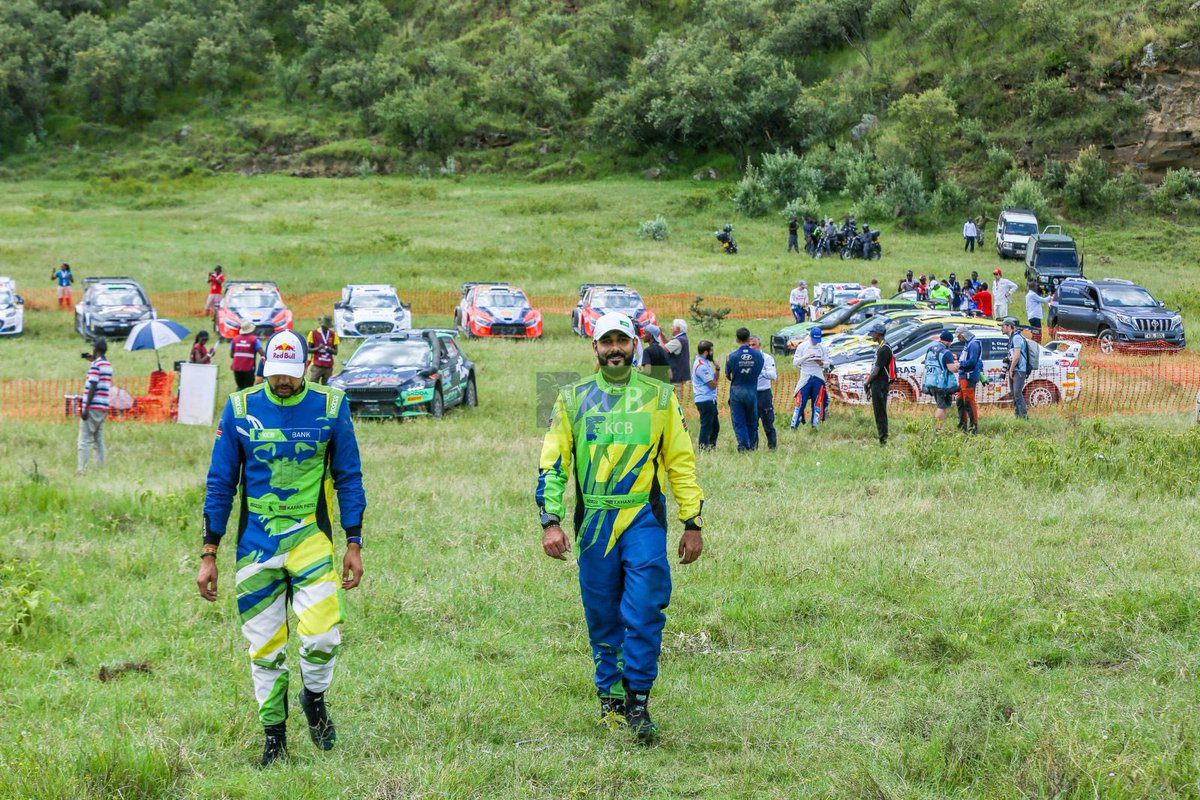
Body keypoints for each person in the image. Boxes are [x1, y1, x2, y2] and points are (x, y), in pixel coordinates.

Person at [198, 329, 366, 767]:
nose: (283, 383)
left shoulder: (332, 406)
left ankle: (314, 697)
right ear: (265, 368)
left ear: (307, 367)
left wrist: (354, 540)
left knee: (323, 635)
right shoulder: (239, 408)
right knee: (265, 650)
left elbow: (349, 476)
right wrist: (209, 551)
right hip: (256, 549)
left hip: (311, 541)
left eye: (290, 375)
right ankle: (274, 739)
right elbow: (221, 483)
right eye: (275, 375)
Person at [536, 312, 704, 742]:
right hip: (593, 521)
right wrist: (550, 519)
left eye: (622, 341)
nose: (614, 348)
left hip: (643, 519)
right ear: (594, 347)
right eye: (606, 341)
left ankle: (638, 701)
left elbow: (680, 463)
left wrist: (692, 520)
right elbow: (554, 462)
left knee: (645, 609)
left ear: (635, 346)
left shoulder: (662, 397)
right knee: (602, 613)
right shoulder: (568, 397)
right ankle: (609, 699)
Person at [725, 328, 764, 452]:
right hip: (752, 390)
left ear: (737, 339)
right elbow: (758, 371)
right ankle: (752, 446)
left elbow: (728, 375)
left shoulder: (731, 357)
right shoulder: (758, 355)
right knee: (752, 421)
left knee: (739, 421)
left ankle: (743, 446)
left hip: (737, 391)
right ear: (749, 339)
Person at [78, 337, 112, 475]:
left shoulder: (95, 366)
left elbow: (93, 385)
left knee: (84, 439)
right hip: (103, 406)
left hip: (92, 406)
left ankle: (81, 469)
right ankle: (101, 467)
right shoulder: (107, 365)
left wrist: (86, 407)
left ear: (95, 349)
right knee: (99, 440)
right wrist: (93, 360)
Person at [791, 327, 827, 430]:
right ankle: (794, 425)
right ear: (810, 337)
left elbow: (828, 363)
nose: (816, 342)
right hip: (805, 377)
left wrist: (822, 363)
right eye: (814, 339)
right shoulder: (802, 347)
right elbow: (795, 362)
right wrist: (805, 357)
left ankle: (814, 425)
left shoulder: (822, 348)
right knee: (800, 402)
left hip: (818, 377)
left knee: (817, 403)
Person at [864, 322, 893, 445]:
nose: (871, 335)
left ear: (878, 333)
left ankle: (883, 439)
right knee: (878, 412)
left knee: (880, 412)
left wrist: (867, 383)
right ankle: (882, 437)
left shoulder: (884, 349)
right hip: (877, 383)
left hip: (880, 383)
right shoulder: (881, 347)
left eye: (873, 333)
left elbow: (876, 370)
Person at [748, 336, 778, 451]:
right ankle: (753, 448)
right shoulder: (746, 359)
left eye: (753, 345)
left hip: (764, 393)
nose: (751, 347)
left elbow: (773, 376)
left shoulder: (767, 358)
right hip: (750, 394)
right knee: (752, 423)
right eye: (749, 345)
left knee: (768, 423)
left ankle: (772, 448)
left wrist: (759, 370)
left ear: (759, 345)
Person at [925, 330, 959, 428]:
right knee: (941, 407)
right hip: (941, 384)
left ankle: (939, 427)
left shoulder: (930, 349)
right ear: (949, 341)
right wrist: (957, 364)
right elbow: (951, 369)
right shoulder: (946, 352)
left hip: (930, 381)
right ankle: (938, 428)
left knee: (941, 406)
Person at [692, 340, 719, 450]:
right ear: (707, 352)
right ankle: (703, 448)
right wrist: (715, 381)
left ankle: (711, 447)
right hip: (705, 400)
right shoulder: (701, 366)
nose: (713, 353)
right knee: (707, 426)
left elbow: (714, 380)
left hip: (710, 399)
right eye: (711, 351)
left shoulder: (705, 363)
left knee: (715, 427)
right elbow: (712, 384)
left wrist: (717, 369)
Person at [955, 325, 982, 434]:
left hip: (969, 376)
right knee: (960, 401)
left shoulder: (973, 344)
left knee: (969, 402)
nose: (958, 339)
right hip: (964, 376)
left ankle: (973, 427)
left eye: (959, 337)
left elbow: (972, 362)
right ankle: (963, 425)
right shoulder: (968, 343)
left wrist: (959, 364)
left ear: (963, 335)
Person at [1003, 317, 1030, 419]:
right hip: (1014, 369)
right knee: (1014, 394)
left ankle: (1024, 417)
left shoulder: (1016, 338)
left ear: (1009, 327)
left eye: (1003, 326)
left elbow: (1017, 355)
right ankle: (1018, 416)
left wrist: (1011, 369)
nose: (1002, 328)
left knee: (1017, 394)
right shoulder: (1011, 338)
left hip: (1019, 370)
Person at [307, 316, 340, 385]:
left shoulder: (333, 334)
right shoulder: (313, 333)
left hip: (328, 366)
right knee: (313, 385)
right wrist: (318, 348)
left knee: (327, 386)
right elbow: (308, 350)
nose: (325, 327)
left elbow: (335, 352)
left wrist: (328, 349)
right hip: (317, 365)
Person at [664, 319, 691, 399]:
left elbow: (664, 349)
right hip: (680, 374)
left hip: (676, 375)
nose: (671, 328)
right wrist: (661, 335)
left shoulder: (678, 341)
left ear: (678, 329)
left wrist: (656, 336)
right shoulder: (682, 338)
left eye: (673, 327)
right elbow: (669, 343)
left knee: (674, 400)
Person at [230, 321, 261, 390]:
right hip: (249, 368)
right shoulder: (254, 340)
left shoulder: (235, 339)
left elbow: (231, 355)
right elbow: (262, 353)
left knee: (240, 386)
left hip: (237, 368)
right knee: (248, 388)